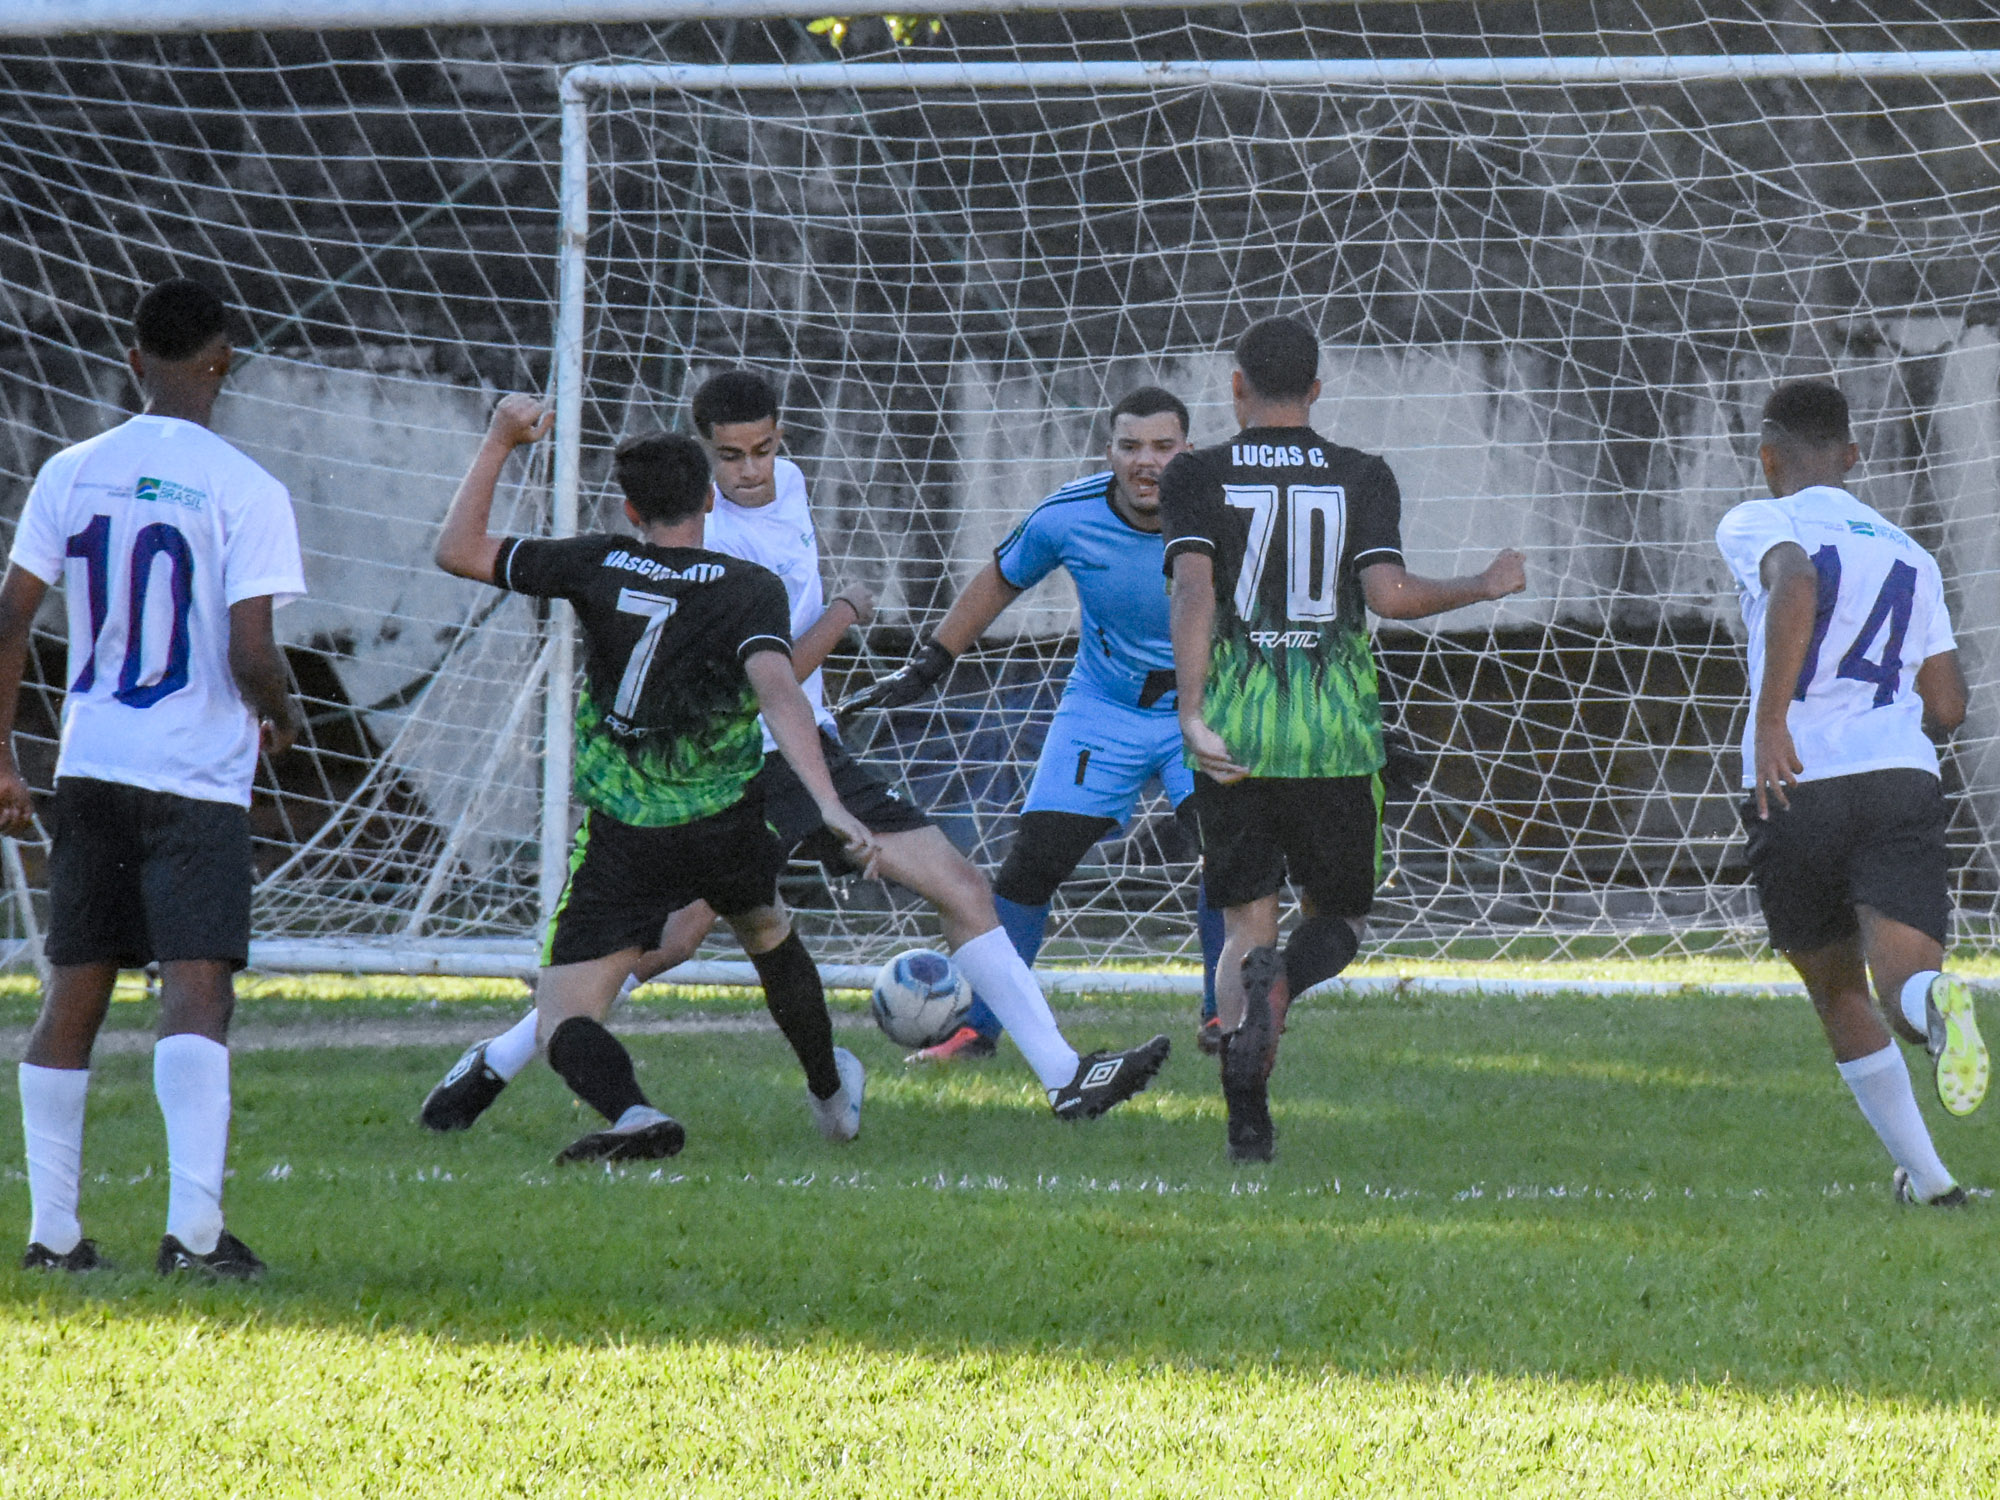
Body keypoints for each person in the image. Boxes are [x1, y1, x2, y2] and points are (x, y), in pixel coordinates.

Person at [421, 372, 1169, 1133]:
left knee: (961, 886)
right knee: (673, 940)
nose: (749, 471)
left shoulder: (790, 483)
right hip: (747, 760)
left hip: (811, 745)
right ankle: (506, 1054)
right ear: (702, 466)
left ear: (782, 437)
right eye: (730, 457)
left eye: (763, 450)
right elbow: (771, 681)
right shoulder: (715, 547)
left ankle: (1063, 1075)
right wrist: (846, 612)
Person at [431, 396, 886, 1162]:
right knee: (768, 929)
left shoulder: (595, 559)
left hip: (624, 830)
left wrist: (501, 440)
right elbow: (778, 691)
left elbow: (457, 549)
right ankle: (830, 1097)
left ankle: (635, 1114)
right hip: (724, 818)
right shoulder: (748, 587)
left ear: (630, 506)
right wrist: (831, 804)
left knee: (565, 1016)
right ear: (708, 494)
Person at [1162, 316, 1525, 1163]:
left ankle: (1245, 1124)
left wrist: (1191, 712)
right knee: (1344, 918)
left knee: (1244, 924)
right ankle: (1284, 985)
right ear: (1318, 390)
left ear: (1236, 387)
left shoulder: (1196, 474)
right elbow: (1390, 597)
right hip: (1335, 740)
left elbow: (1192, 586)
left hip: (1234, 735)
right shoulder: (1362, 474)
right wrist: (1484, 582)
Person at [1, 277, 306, 1277]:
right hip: (194, 776)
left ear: (135, 360)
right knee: (196, 988)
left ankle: (51, 1239)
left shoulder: (70, 469)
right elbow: (252, 649)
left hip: (91, 766)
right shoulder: (249, 487)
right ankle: (196, 1237)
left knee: (74, 986)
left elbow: (12, 619)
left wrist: (3, 755)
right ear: (224, 363)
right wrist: (283, 716)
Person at [844, 385, 1228, 1061]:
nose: (1147, 462)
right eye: (1131, 446)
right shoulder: (1068, 514)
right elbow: (999, 579)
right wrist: (931, 663)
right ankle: (977, 1031)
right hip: (1103, 708)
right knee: (1030, 867)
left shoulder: (1227, 511)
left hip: (1207, 705)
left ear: (1187, 450)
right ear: (1108, 451)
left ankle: (1225, 1020)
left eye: (1163, 446)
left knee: (1231, 857)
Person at [1716, 378, 1986, 1207]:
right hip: (1901, 779)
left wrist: (1772, 722)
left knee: (1836, 987)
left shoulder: (1761, 519)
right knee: (1906, 987)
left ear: (1768, 457)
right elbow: (1947, 704)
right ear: (1853, 456)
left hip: (1798, 778)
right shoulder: (1911, 552)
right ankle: (1938, 1040)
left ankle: (1933, 1177)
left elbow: (1794, 582)